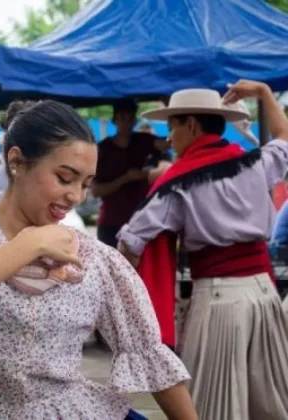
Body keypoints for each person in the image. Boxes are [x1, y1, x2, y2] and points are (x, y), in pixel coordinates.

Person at [0, 100, 196, 419]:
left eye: (85, 184)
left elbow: (149, 355)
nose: (76, 197)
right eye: (64, 177)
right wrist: (30, 242)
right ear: (17, 161)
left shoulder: (95, 259)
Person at [117, 81, 288, 419]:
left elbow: (131, 241)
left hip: (219, 301)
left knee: (210, 408)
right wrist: (265, 94)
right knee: (270, 405)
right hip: (265, 295)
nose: (169, 138)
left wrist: (124, 294)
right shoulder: (256, 163)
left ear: (191, 125)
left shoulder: (177, 182)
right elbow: (285, 139)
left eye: (172, 127)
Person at [91, 99, 171, 248]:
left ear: (135, 120)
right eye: (123, 118)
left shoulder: (144, 140)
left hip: (142, 221)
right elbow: (96, 191)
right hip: (111, 222)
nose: (127, 123)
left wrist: (170, 110)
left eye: (130, 119)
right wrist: (125, 178)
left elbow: (170, 144)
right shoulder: (103, 149)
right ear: (114, 120)